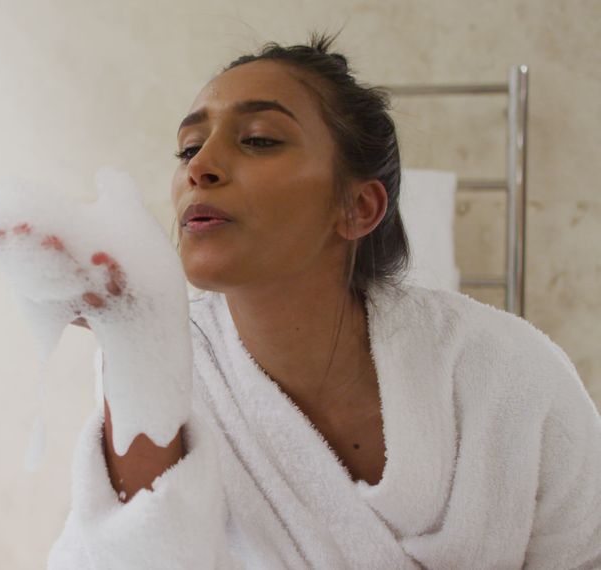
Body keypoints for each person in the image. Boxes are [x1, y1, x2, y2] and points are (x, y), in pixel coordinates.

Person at [43, 33, 601, 569]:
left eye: (259, 138)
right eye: (189, 147)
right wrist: (133, 342)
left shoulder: (509, 375)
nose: (198, 167)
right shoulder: (166, 364)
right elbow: (134, 558)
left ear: (358, 207)